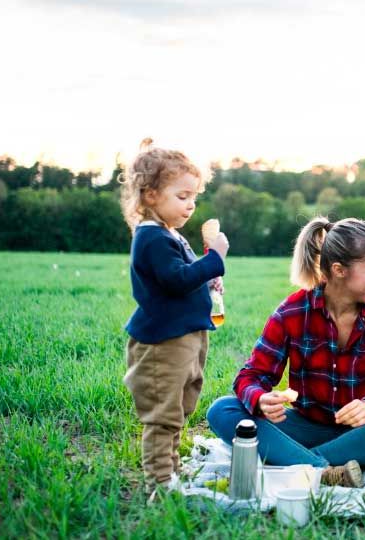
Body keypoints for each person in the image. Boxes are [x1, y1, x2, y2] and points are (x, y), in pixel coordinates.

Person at [207, 217, 365, 488]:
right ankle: (323, 470)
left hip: (362, 434)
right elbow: (252, 375)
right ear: (340, 270)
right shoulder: (293, 311)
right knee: (223, 410)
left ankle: (295, 464)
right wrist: (259, 399)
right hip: (303, 428)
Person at [120, 138, 229, 499]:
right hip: (163, 342)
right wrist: (214, 258)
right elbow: (175, 279)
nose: (191, 204)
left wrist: (209, 275)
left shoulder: (169, 234)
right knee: (163, 413)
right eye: (182, 196)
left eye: (194, 196)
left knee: (182, 405)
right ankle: (160, 484)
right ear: (151, 195)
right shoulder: (150, 238)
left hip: (187, 335)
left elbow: (187, 277)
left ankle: (172, 471)